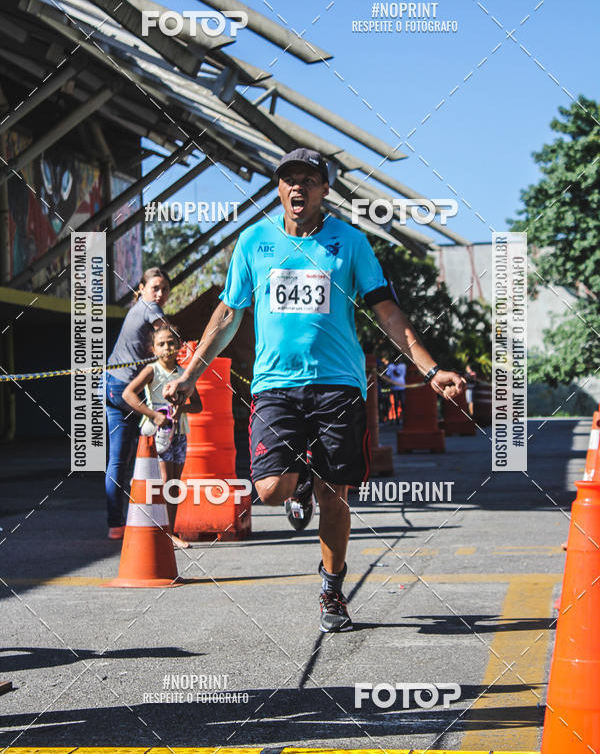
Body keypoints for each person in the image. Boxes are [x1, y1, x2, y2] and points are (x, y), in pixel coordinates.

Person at [164, 148, 465, 632]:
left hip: (337, 386)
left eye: (308, 179)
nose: (297, 187)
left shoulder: (350, 242)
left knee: (336, 495)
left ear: (324, 190)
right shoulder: (254, 241)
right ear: (279, 189)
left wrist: (430, 370)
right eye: (288, 180)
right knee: (268, 490)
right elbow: (227, 313)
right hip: (276, 386)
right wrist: (188, 375)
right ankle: (297, 480)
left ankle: (332, 589)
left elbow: (386, 312)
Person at [122, 323, 202, 548]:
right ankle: (161, 532)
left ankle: (171, 531)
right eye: (161, 344)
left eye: (171, 342)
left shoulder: (183, 375)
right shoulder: (152, 370)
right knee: (164, 482)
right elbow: (128, 394)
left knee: (174, 485)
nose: (167, 347)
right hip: (157, 433)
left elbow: (198, 405)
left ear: (178, 345)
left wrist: (183, 408)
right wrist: (154, 415)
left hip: (180, 432)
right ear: (153, 349)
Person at [105, 267, 170, 539]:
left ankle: (115, 525)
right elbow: (166, 335)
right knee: (158, 438)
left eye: (165, 289)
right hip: (124, 389)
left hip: (108, 384)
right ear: (141, 289)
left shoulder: (138, 308)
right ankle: (158, 515)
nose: (160, 293)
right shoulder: (148, 307)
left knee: (119, 460)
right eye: (155, 287)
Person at [384, 359, 407, 423]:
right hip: (395, 388)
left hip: (401, 387)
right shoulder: (391, 366)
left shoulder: (402, 366)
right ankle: (397, 418)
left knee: (402, 403)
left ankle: (402, 417)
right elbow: (388, 376)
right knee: (396, 403)